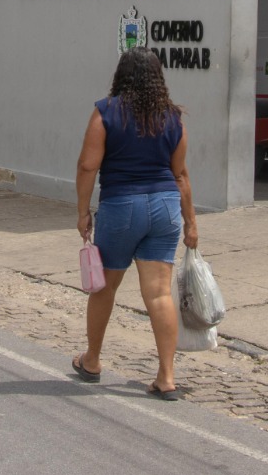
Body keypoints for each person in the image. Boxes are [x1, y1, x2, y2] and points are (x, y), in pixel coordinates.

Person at [71, 48, 198, 400]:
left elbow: (87, 166)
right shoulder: (173, 118)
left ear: (121, 75)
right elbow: (181, 175)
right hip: (165, 207)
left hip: (122, 205)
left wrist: (83, 212)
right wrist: (191, 222)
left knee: (105, 287)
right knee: (158, 293)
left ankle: (93, 361)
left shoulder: (106, 113)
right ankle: (166, 377)